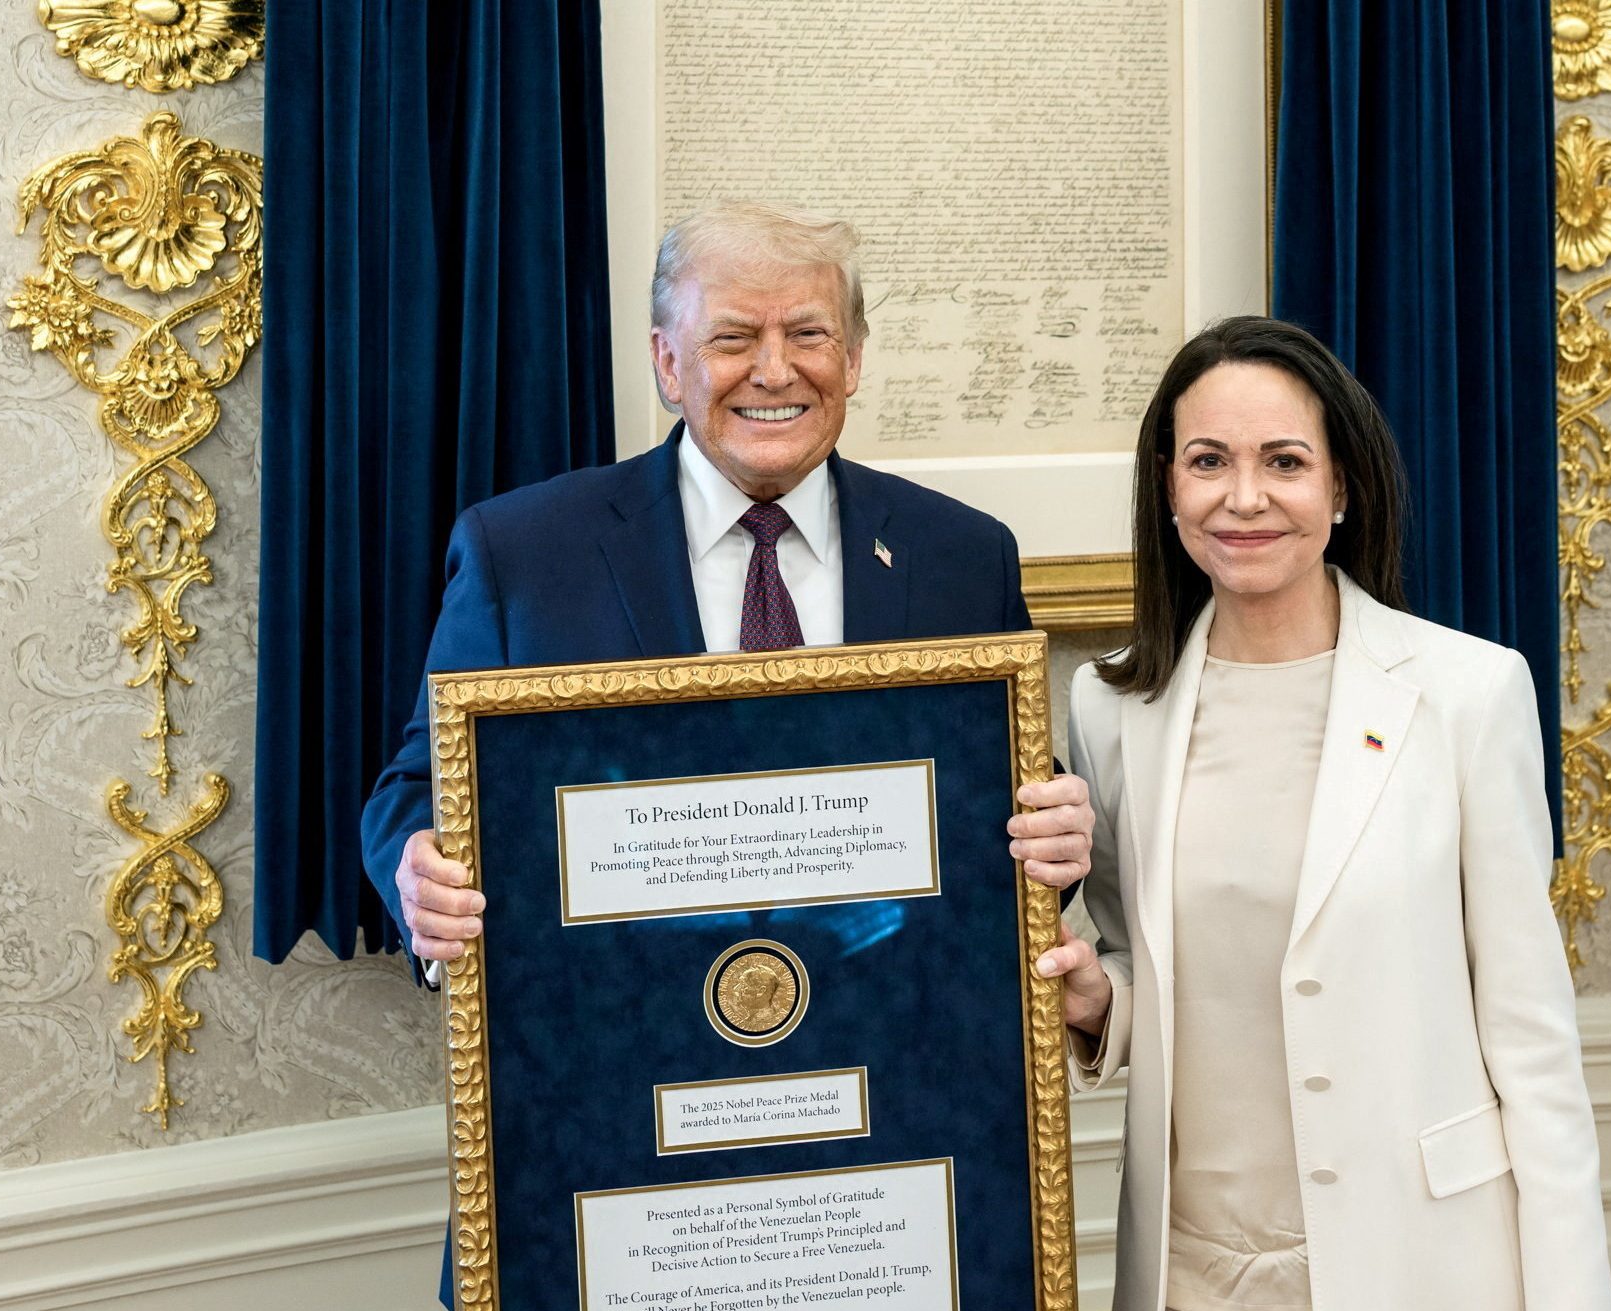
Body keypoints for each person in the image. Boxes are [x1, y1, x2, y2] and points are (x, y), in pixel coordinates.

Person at [1034, 317, 1611, 1311]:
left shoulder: (1467, 692)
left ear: (1339, 488)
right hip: (1192, 1302)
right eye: (1207, 462)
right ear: (1167, 489)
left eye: (1283, 463)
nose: (1242, 498)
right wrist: (1092, 1001)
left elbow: (1530, 1030)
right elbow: (1137, 963)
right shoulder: (1112, 707)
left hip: (1428, 1283)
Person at [361, 201, 1093, 982]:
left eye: (808, 335)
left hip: (891, 1027)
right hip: (619, 1029)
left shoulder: (961, 555)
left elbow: (1008, 801)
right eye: (733, 338)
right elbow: (420, 787)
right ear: (669, 363)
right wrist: (420, 874)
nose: (775, 371)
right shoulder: (523, 555)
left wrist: (1056, 839)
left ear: (852, 359)